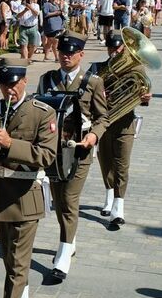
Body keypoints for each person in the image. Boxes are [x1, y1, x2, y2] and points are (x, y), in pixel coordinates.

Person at [0, 58, 57, 298]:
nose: (8, 89)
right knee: (9, 259)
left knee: (17, 264)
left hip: (26, 196)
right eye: (3, 84)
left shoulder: (42, 112)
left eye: (13, 83)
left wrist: (10, 142)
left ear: (25, 81)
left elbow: (47, 155)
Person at [36, 32, 109, 281]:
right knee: (59, 200)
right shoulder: (47, 80)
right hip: (54, 152)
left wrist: (94, 136)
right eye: (62, 52)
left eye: (71, 53)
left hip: (80, 150)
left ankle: (64, 253)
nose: (66, 56)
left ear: (81, 54)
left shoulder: (92, 82)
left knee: (69, 199)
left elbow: (103, 117)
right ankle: (71, 237)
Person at [96, 31, 153, 226]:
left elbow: (143, 92)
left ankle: (119, 206)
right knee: (105, 161)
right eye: (112, 48)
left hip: (125, 123)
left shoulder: (136, 68)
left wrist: (145, 99)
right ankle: (109, 195)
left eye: (119, 48)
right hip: (103, 123)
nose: (115, 51)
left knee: (122, 165)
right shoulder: (99, 68)